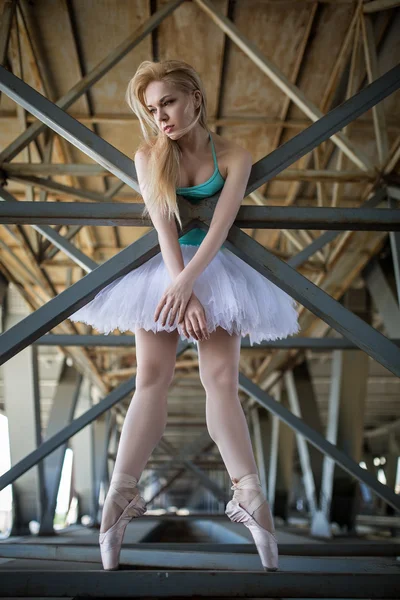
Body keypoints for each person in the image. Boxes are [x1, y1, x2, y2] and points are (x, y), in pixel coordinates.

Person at [69, 59, 299, 572]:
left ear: (194, 96)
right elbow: (162, 226)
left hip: (214, 268)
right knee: (151, 379)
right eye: (152, 109)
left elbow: (221, 226)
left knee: (222, 380)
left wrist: (195, 283)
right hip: (168, 269)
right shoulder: (148, 153)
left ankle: (251, 499)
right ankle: (120, 499)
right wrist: (183, 292)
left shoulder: (236, 154)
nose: (161, 116)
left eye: (168, 103)